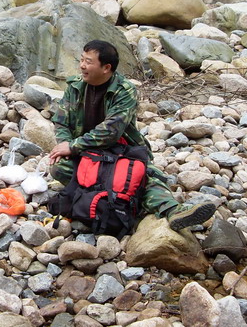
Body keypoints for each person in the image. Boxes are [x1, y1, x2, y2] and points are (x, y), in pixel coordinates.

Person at [49, 40, 216, 232]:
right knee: (59, 167)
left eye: (88, 61)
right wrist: (64, 144)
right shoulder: (75, 87)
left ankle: (173, 211)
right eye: (81, 60)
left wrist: (73, 146)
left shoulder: (125, 90)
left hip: (121, 151)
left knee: (145, 177)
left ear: (106, 68)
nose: (82, 66)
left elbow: (110, 131)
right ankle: (114, 194)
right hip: (87, 152)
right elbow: (62, 121)